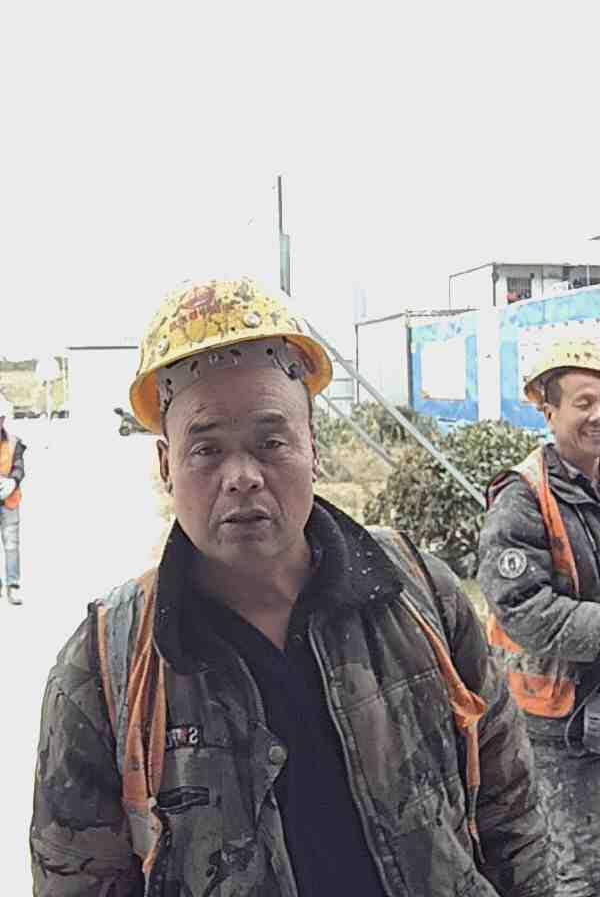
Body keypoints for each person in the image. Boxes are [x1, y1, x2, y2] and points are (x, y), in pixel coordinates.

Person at [31, 277, 553, 896]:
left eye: (271, 442)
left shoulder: (419, 595)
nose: (242, 476)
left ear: (313, 448)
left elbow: (511, 815)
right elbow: (76, 879)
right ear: (167, 465)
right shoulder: (106, 668)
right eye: (207, 450)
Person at [478, 337, 600, 896]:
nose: (597, 415)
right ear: (549, 411)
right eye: (584, 402)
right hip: (557, 722)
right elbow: (522, 609)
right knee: (577, 868)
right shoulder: (523, 496)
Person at [0, 393, 25, 605]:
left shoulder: (14, 442)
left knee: (11, 545)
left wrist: (12, 482)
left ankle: (13, 585)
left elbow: (19, 466)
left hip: (9, 501)